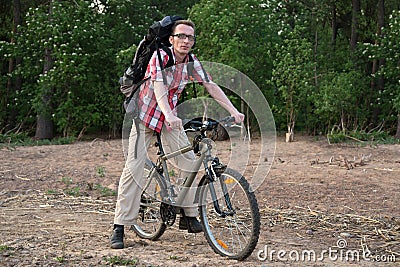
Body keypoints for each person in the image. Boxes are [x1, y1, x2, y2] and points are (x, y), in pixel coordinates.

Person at [111, 19, 244, 249]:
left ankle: (188, 214)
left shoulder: (191, 62)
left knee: (190, 162)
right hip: (145, 117)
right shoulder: (160, 57)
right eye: (181, 36)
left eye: (190, 37)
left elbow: (210, 85)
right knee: (134, 168)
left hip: (169, 119)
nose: (185, 41)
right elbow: (159, 87)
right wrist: (170, 115)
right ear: (171, 39)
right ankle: (120, 226)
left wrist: (233, 111)